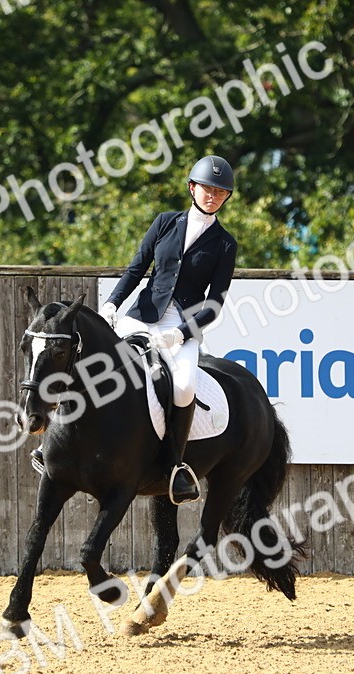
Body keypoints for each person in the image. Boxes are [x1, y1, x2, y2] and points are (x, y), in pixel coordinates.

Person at [103, 155, 240, 503]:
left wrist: (181, 333)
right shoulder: (165, 222)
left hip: (183, 325)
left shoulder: (225, 244)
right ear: (192, 188)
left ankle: (175, 466)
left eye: (220, 192)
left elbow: (215, 303)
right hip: (143, 314)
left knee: (183, 386)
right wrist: (111, 304)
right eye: (207, 188)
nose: (212, 195)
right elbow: (136, 269)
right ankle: (55, 443)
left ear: (225, 198)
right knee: (100, 367)